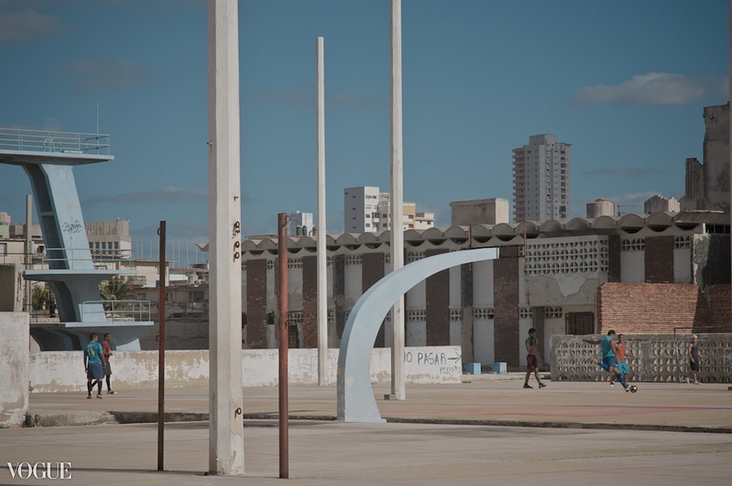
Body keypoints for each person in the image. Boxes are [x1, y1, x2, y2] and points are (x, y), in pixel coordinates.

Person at [84, 333, 105, 399]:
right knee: (100, 378)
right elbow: (101, 354)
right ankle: (99, 393)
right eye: (97, 338)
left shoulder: (87, 346)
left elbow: (85, 357)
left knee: (89, 379)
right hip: (97, 362)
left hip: (90, 363)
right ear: (95, 338)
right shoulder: (98, 345)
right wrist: (104, 362)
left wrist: (85, 366)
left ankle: (89, 394)